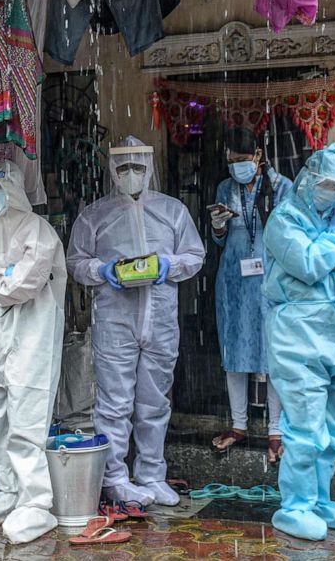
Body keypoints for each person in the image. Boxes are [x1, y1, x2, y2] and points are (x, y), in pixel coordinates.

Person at [67, 135, 204, 507]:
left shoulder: (173, 210)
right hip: (115, 320)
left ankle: (151, 474)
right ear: (113, 169)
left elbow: (195, 255)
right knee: (114, 403)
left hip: (159, 319)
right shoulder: (94, 214)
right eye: (124, 167)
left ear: (149, 166)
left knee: (154, 401)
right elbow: (75, 263)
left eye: (138, 166)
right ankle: (114, 477)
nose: (131, 174)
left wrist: (167, 265)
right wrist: (102, 269)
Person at [263, 143, 335, 541]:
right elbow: (308, 265)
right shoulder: (283, 219)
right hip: (298, 332)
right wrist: (333, 240)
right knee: (306, 426)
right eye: (330, 184)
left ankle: (321, 497)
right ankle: (295, 506)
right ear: (310, 180)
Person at [0, 161, 66, 544]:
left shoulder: (39, 230)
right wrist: (2, 274)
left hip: (30, 330)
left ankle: (36, 501)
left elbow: (28, 280)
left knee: (27, 409)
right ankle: (8, 489)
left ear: (15, 188)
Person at [209, 129, 291, 463]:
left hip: (270, 278)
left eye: (241, 160)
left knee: (272, 353)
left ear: (257, 155)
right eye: (231, 162)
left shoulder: (280, 186)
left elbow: (289, 233)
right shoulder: (225, 189)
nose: (236, 167)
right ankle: (238, 424)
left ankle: (276, 430)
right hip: (233, 279)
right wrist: (218, 226)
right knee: (234, 349)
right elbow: (218, 241)